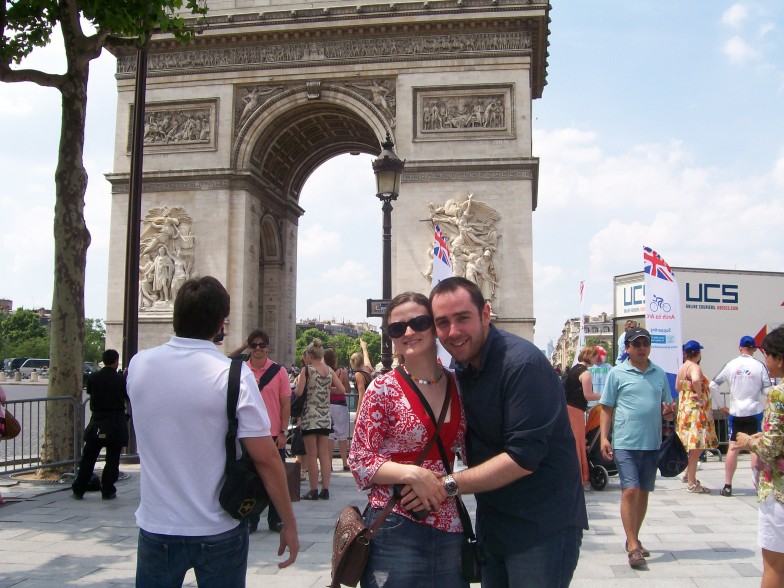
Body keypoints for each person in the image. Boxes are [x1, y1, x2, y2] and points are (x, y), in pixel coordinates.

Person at [127, 276, 298, 585]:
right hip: (218, 527)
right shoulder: (234, 375)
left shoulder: (139, 365)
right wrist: (288, 522)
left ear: (175, 315)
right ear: (221, 323)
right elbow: (267, 460)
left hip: (156, 526)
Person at [430, 277, 587, 587]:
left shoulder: (521, 365)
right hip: (496, 522)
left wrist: (446, 485)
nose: (453, 332)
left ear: (486, 314)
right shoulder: (464, 367)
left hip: (541, 527)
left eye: (463, 318)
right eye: (442, 322)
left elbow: (522, 458)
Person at [349, 292, 468, 588]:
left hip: (449, 522)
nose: (409, 333)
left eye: (419, 322)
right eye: (397, 328)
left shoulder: (460, 385)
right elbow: (359, 459)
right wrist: (413, 474)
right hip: (394, 522)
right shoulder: (382, 389)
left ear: (434, 326)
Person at [600, 327, 675, 567]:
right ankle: (633, 546)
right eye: (637, 344)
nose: (642, 348)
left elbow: (668, 406)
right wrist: (604, 437)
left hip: (652, 442)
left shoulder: (659, 373)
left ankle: (633, 536)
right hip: (625, 441)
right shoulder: (617, 373)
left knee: (643, 492)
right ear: (628, 348)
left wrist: (668, 411)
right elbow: (607, 408)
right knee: (629, 490)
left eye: (646, 343)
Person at [737, 325, 784, 588]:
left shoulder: (779, 394)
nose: (765, 361)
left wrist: (748, 441)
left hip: (778, 489)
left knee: (774, 565)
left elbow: (771, 448)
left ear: (779, 358)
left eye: (767, 354)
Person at [709, 335, 772, 497]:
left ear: (740, 348)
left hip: (736, 411)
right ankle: (758, 486)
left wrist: (721, 405)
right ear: (754, 350)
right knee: (755, 449)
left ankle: (728, 485)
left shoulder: (731, 365)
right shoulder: (759, 366)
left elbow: (713, 384)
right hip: (754, 410)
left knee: (733, 448)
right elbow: (767, 390)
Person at [244, 329, 291, 534]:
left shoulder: (279, 372)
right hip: (248, 433)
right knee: (250, 480)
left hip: (273, 432)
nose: (257, 349)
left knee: (276, 478)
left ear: (267, 347)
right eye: (253, 345)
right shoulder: (240, 370)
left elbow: (285, 404)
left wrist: (283, 431)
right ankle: (250, 518)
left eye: (261, 345)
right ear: (249, 347)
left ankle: (276, 519)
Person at [71, 349, 129, 500]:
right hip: (115, 421)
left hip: (97, 421)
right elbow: (126, 396)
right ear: (116, 361)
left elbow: (91, 392)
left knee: (89, 457)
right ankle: (108, 489)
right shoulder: (121, 380)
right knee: (112, 458)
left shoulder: (94, 377)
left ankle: (79, 488)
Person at [294, 338, 344, 500]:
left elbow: (299, 393)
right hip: (325, 416)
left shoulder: (307, 370)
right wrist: (326, 387)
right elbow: (342, 389)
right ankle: (326, 489)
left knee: (311, 455)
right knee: (323, 454)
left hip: (310, 415)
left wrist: (296, 387)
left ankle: (313, 490)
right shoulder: (329, 370)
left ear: (309, 355)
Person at [676, 340, 719, 494]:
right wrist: (699, 395)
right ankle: (692, 482)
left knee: (695, 447)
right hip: (696, 413)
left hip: (686, 411)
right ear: (698, 354)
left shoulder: (682, 367)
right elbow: (695, 379)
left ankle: (689, 474)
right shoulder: (694, 367)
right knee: (697, 447)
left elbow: (677, 387)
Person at [565, 346, 602, 489]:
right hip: (576, 410)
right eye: (595, 356)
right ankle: (580, 477)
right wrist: (604, 395)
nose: (596, 359)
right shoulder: (585, 373)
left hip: (568, 408)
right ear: (590, 356)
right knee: (579, 443)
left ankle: (572, 476)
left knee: (574, 442)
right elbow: (588, 395)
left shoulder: (574, 369)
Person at [324, 348, 351, 471]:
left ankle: (329, 464)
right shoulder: (341, 373)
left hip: (328, 405)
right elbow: (348, 389)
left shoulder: (324, 372)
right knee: (343, 435)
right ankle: (345, 462)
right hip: (340, 405)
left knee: (330, 435)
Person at [350, 339, 373, 411]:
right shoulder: (368, 370)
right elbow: (367, 358)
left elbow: (362, 395)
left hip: (365, 408)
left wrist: (358, 413)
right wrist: (364, 347)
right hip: (370, 404)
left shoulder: (358, 375)